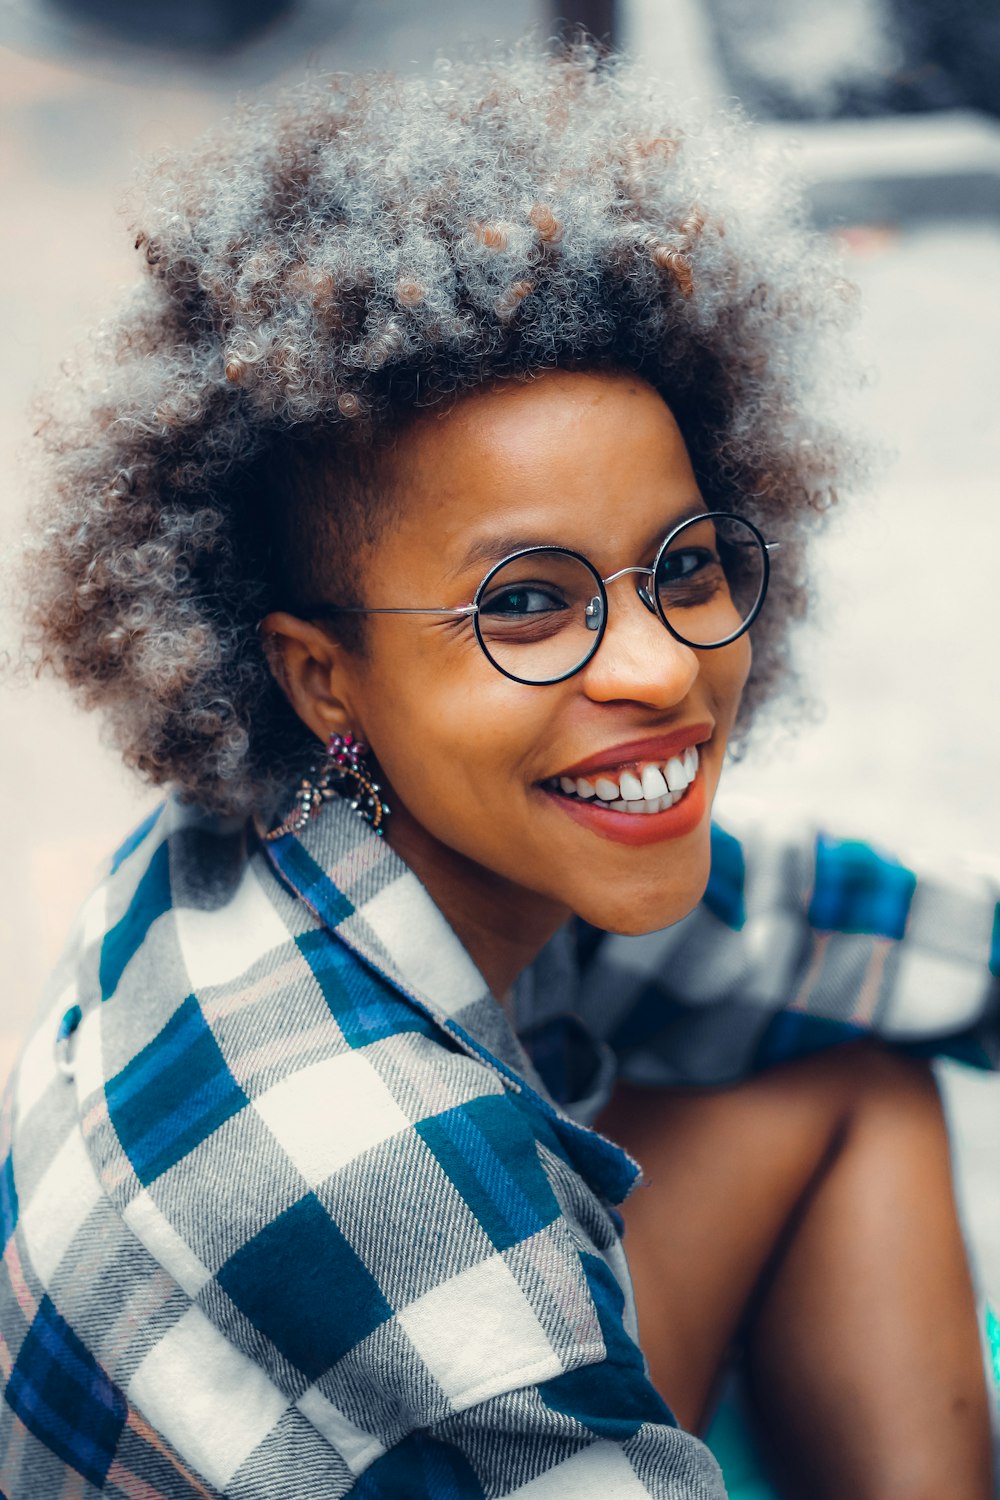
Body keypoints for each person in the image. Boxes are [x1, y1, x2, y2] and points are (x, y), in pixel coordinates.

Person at [2, 45, 996, 1500]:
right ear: (320, 674)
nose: (656, 668)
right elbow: (437, 1246)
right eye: (526, 602)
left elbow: (794, 919)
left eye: (686, 563)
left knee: (845, 1069)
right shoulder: (404, 1195)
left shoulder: (357, 813)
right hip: (388, 1312)